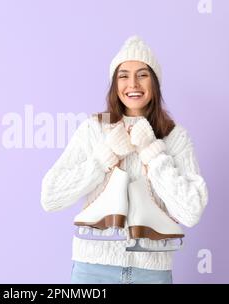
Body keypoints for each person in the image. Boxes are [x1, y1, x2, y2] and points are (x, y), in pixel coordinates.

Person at [40, 35, 208, 284]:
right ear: (114, 84)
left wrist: (153, 152)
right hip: (92, 269)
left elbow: (190, 212)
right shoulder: (93, 130)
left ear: (155, 82)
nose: (133, 83)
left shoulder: (175, 137)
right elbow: (50, 197)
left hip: (152, 272)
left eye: (142, 74)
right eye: (123, 75)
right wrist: (104, 158)